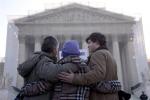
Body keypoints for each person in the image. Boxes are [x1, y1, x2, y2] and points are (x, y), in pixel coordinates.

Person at [59, 32, 119, 100]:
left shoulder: (98, 54)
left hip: (100, 97)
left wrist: (74, 78)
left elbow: (97, 74)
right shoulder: (108, 54)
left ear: (97, 42)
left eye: (89, 42)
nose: (88, 46)